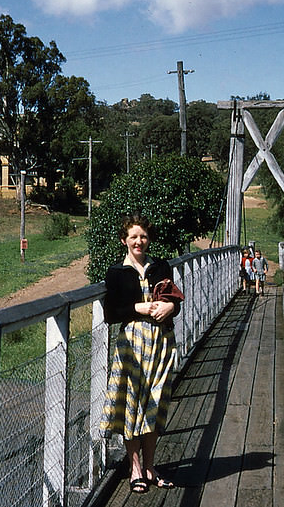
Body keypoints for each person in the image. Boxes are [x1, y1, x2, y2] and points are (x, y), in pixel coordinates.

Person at [100, 211, 184, 494]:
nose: (139, 241)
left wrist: (170, 307)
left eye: (143, 236)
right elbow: (111, 312)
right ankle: (134, 468)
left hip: (161, 342)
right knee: (132, 405)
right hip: (133, 345)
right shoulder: (117, 272)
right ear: (124, 240)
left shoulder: (161, 267)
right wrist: (139, 308)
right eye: (134, 236)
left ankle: (150, 467)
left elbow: (174, 299)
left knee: (155, 404)